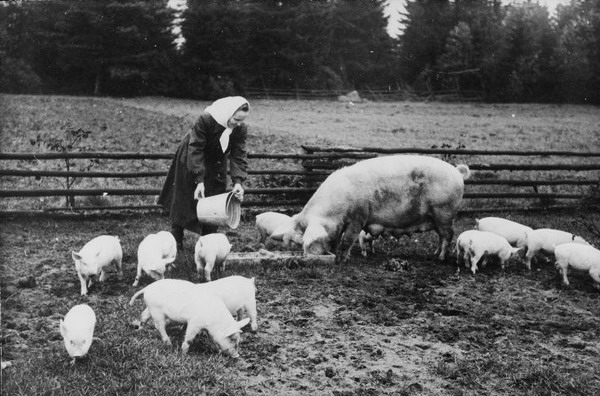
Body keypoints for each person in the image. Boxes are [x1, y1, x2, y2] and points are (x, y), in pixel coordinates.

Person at [158, 96, 249, 248]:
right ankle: (176, 236)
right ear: (228, 113)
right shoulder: (206, 120)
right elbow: (196, 148)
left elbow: (238, 155)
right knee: (185, 193)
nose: (238, 124)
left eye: (241, 120)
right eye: (236, 119)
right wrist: (199, 180)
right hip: (191, 156)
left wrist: (238, 182)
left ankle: (208, 238)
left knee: (215, 192)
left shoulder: (240, 128)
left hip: (216, 160)